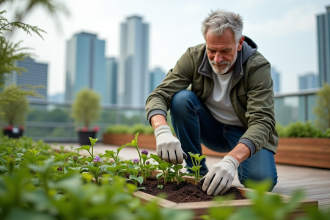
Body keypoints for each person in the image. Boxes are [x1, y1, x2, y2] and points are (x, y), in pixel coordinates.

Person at [145, 9, 278, 196]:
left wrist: (231, 160)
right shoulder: (193, 57)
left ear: (240, 43)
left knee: (260, 183)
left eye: (225, 50)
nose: (217, 59)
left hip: (244, 134)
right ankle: (196, 171)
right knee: (181, 99)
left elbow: (263, 121)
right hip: (211, 129)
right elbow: (159, 94)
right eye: (211, 50)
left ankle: (236, 163)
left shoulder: (257, 67)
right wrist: (161, 130)